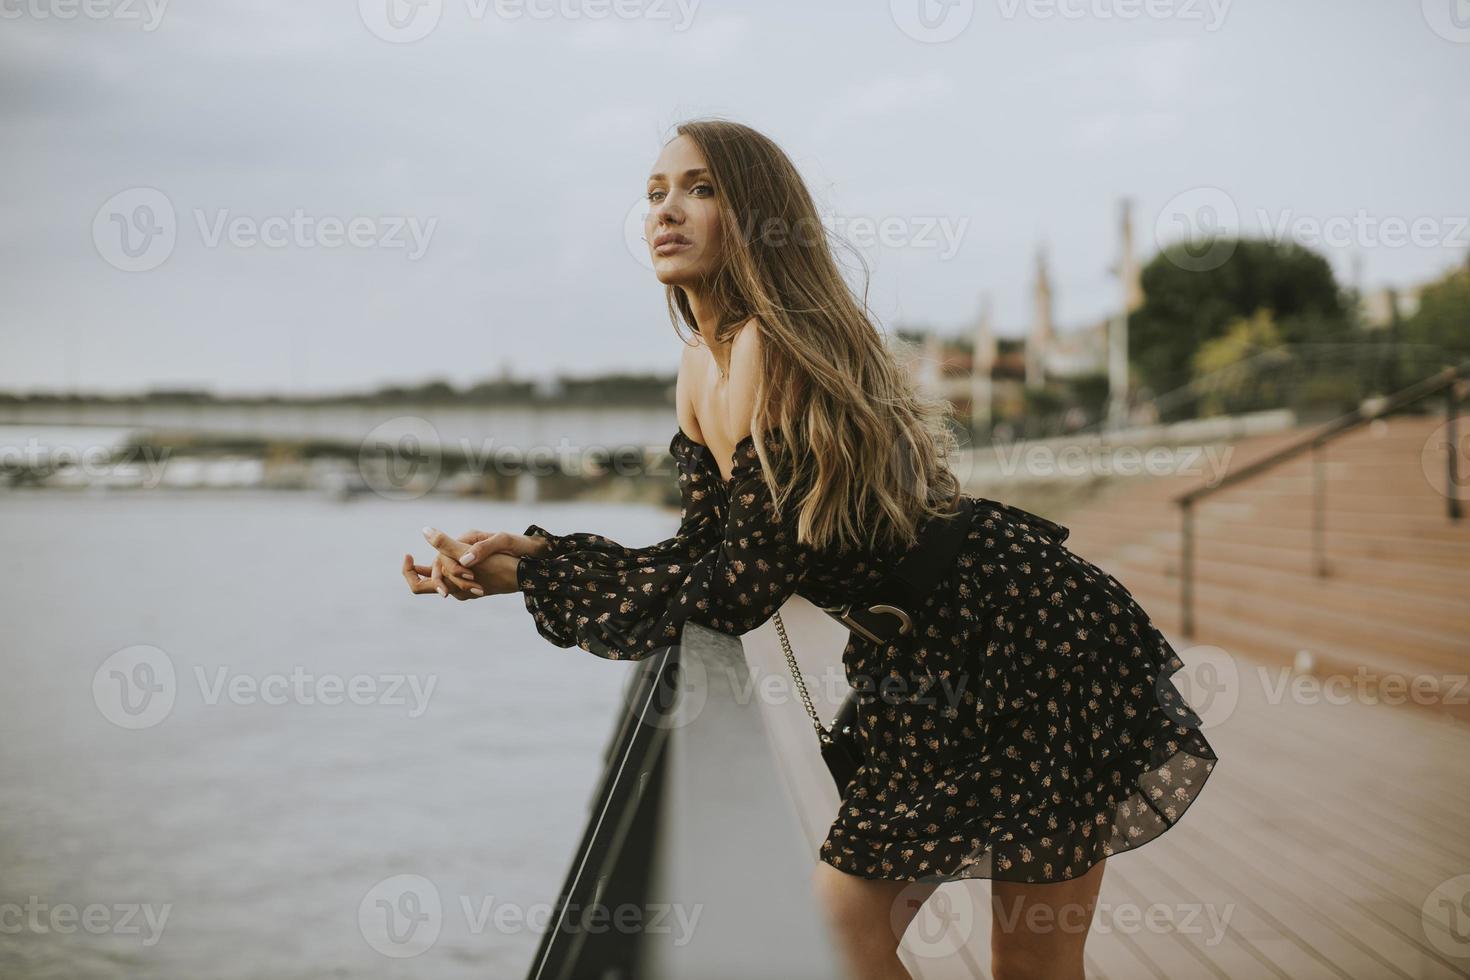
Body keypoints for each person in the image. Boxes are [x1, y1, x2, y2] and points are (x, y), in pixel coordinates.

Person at [402, 118, 1218, 980]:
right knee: (856, 936)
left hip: (1026, 629)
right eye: (653, 194)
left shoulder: (770, 346)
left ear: (755, 217)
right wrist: (532, 562)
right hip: (922, 652)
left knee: (1027, 959)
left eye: (700, 189)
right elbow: (703, 551)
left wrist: (552, 574)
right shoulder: (698, 367)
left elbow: (742, 586)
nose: (666, 211)